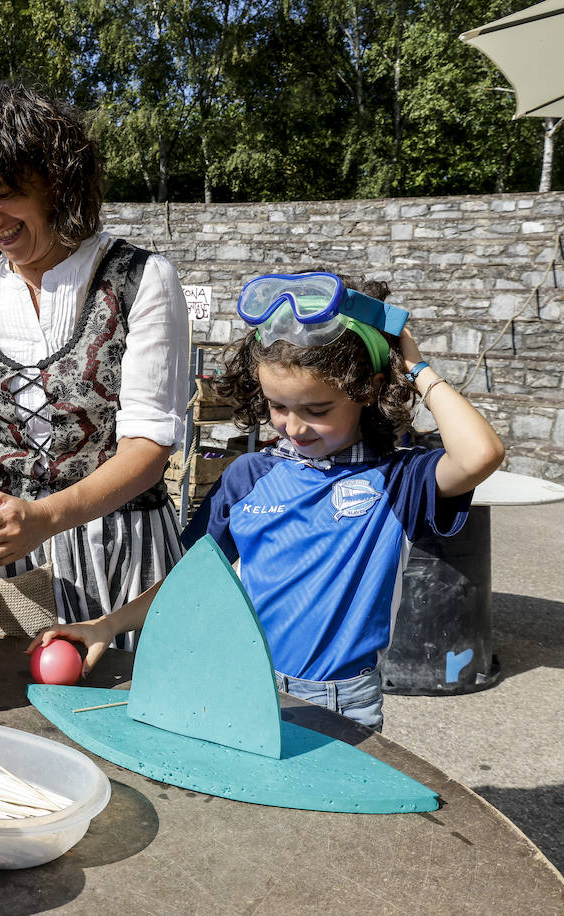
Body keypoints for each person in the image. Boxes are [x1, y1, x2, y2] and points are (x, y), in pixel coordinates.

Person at [29, 272, 505, 729]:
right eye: (279, 406)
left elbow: (481, 454)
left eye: (317, 410)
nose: (293, 427)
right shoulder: (248, 475)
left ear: (368, 391)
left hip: (338, 703)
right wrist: (106, 627)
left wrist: (416, 368)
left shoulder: (400, 479)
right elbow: (188, 581)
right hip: (240, 683)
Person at [0, 84, 190, 645]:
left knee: (118, 718)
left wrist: (43, 518)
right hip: (4, 562)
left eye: (4, 193)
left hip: (122, 557)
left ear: (58, 184)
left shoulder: (141, 280)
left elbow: (148, 450)